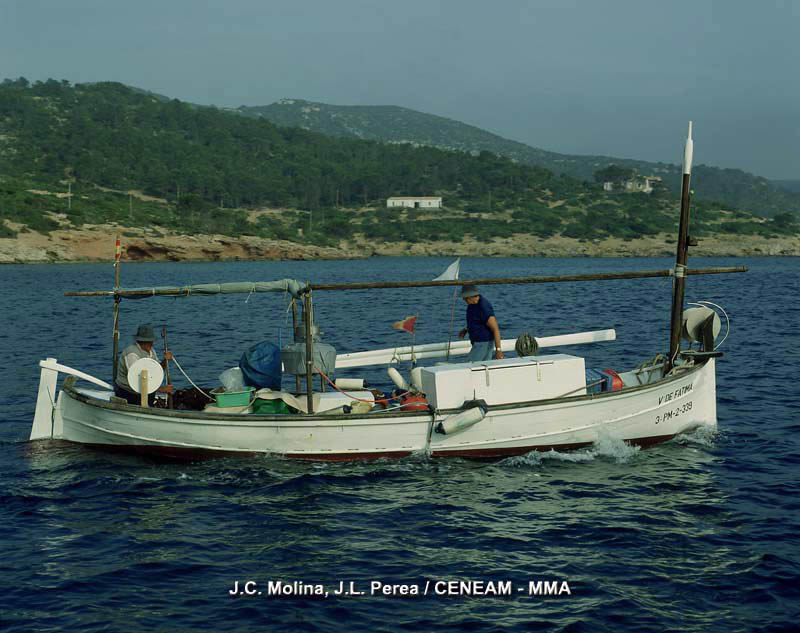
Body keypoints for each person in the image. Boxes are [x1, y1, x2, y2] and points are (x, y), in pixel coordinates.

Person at [114, 324, 174, 405]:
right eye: (149, 342)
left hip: (144, 389)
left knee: (150, 394)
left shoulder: (151, 351)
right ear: (142, 342)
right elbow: (136, 380)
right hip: (127, 391)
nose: (152, 344)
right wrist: (161, 389)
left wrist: (165, 361)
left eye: (152, 341)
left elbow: (157, 370)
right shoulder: (132, 354)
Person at [458, 285, 504, 362]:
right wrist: (466, 329)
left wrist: (498, 350)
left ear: (471, 297)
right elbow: (476, 321)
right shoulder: (471, 305)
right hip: (476, 342)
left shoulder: (484, 307)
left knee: (470, 365)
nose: (464, 300)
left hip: (484, 343)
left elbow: (495, 328)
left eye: (465, 298)